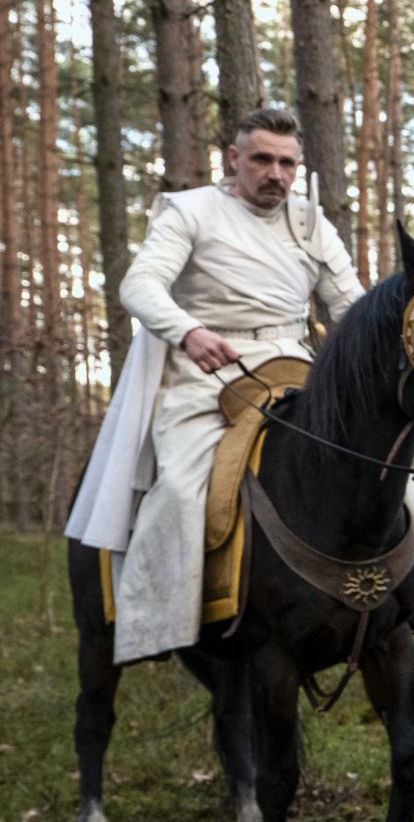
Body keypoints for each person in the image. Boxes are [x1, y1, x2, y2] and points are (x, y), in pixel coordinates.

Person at [66, 107, 373, 665]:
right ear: (234, 158)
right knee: (182, 490)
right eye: (261, 159)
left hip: (295, 370)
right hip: (208, 373)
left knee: (376, 466)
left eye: (286, 163)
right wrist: (189, 332)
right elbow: (140, 284)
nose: (275, 174)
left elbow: (350, 307)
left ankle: (406, 596)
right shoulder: (190, 211)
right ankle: (166, 620)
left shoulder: (310, 224)